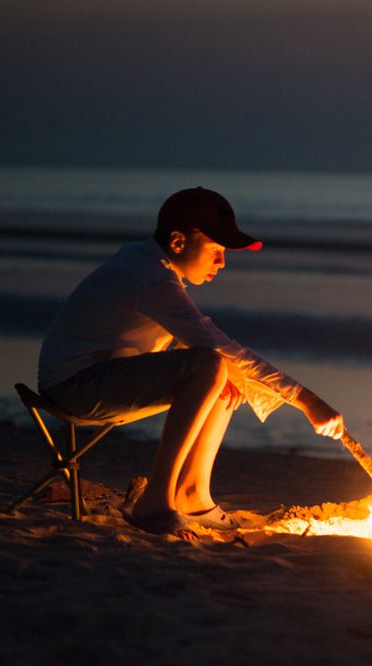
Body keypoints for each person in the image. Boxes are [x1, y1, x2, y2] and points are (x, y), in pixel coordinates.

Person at [38, 187, 345, 535]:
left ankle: (192, 495)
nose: (222, 262)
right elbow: (217, 345)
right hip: (74, 387)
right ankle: (156, 501)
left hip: (97, 378)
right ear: (178, 242)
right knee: (213, 364)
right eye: (215, 250)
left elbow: (213, 348)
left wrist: (232, 374)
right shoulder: (150, 277)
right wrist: (306, 400)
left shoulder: (148, 264)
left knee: (224, 370)